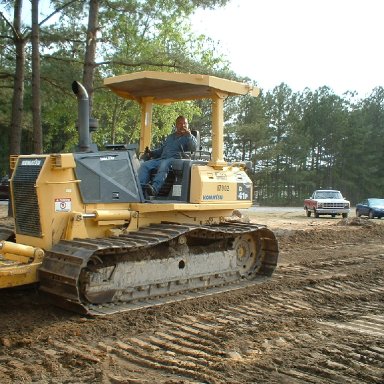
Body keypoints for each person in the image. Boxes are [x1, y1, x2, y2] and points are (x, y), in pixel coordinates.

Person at [138, 115, 197, 197]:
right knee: (145, 165)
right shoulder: (170, 137)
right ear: (176, 125)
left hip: (176, 159)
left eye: (185, 123)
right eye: (180, 123)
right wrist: (151, 153)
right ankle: (140, 189)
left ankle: (154, 188)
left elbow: (193, 148)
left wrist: (189, 136)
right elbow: (162, 150)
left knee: (164, 164)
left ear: (188, 125)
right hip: (162, 158)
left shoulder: (189, 137)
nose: (183, 125)